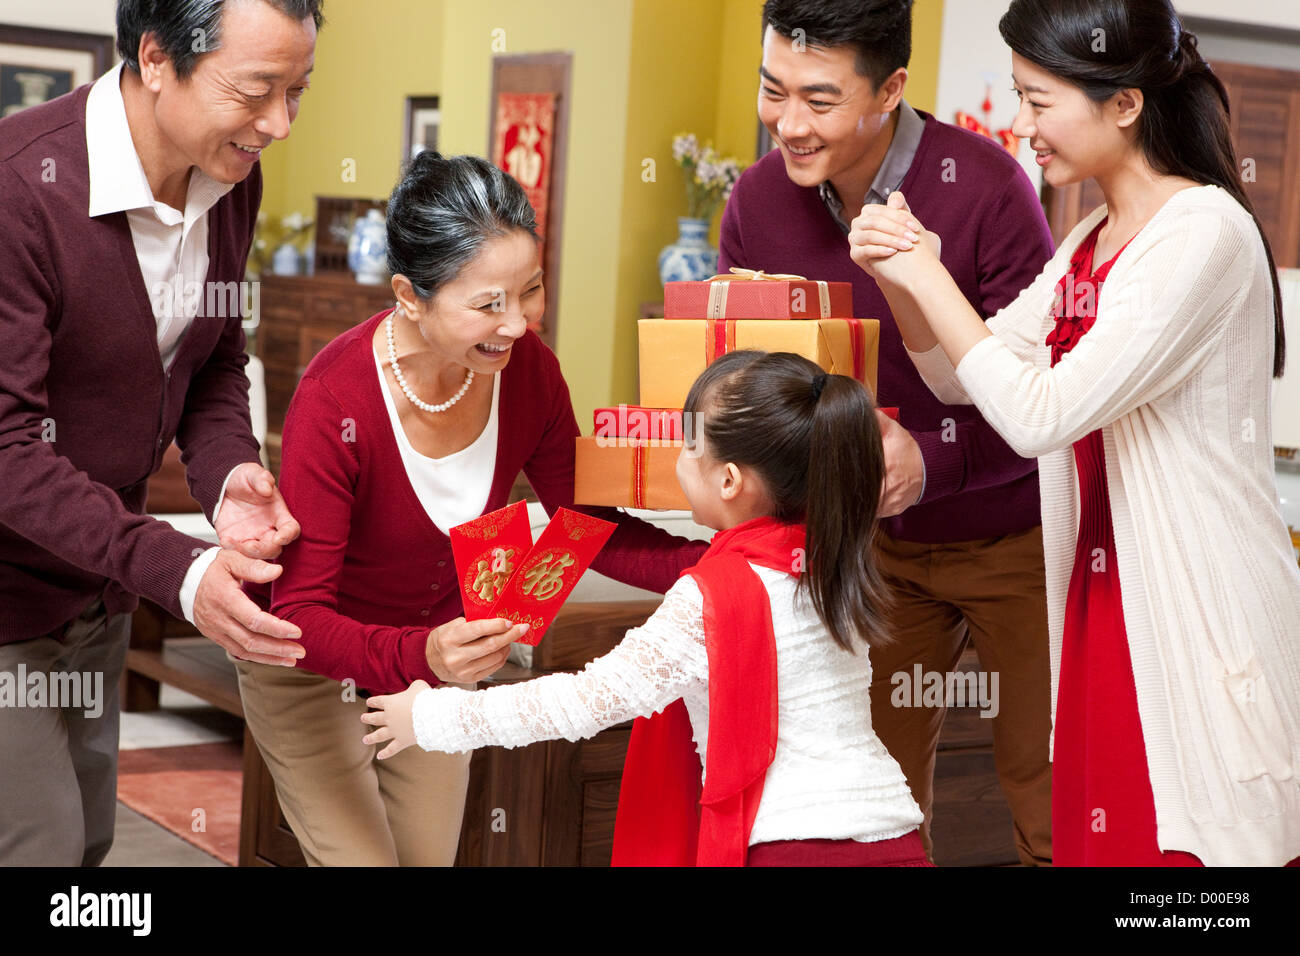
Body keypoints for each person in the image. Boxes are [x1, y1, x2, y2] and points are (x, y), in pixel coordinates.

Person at [850, 0, 1300, 867]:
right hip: (1102, 597)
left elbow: (1038, 415)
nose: (1022, 126)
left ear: (1124, 103)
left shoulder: (1201, 234)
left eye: (1039, 100)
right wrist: (902, 277)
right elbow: (961, 380)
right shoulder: (1092, 240)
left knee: (1187, 866)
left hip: (1193, 603)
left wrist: (929, 272)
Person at [233, 151, 710, 867]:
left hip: (432, 657)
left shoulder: (531, 375)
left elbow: (586, 524)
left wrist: (723, 565)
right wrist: (421, 652)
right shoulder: (336, 399)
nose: (516, 324)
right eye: (488, 304)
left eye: (532, 290)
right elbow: (300, 611)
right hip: (307, 661)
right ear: (409, 295)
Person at [362, 350, 930, 868]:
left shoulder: (713, 593)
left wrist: (431, 719)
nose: (677, 457)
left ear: (729, 480)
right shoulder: (836, 564)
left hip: (793, 847)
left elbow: (582, 702)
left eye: (688, 443)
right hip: (897, 838)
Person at [718, 0, 1055, 864]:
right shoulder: (755, 203)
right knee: (871, 792)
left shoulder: (986, 189)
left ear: (892, 87)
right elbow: (736, 383)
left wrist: (928, 463)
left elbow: (1047, 399)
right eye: (773, 91)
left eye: (820, 100)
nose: (788, 124)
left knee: (1045, 780)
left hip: (1018, 536)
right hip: (864, 552)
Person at [0, 0, 320, 867]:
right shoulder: (19, 187)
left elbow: (216, 362)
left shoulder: (231, 178)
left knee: (90, 841)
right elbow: (5, 449)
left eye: (298, 91)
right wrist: (178, 569)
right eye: (256, 89)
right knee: (42, 846)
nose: (279, 124)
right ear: (154, 57)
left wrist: (229, 477)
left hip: (97, 584)